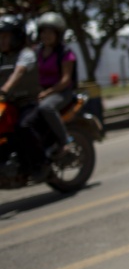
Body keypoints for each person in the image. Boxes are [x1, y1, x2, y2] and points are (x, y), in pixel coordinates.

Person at [0, 16, 46, 180]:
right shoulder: (2, 57)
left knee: (23, 126)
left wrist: (6, 88)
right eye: (0, 37)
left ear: (17, 36)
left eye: (6, 36)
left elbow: (18, 72)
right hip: (9, 105)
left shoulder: (26, 54)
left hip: (28, 103)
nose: (2, 41)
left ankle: (39, 164)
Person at [34, 12, 76, 150]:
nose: (46, 36)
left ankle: (65, 140)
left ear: (58, 34)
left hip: (61, 92)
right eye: (43, 32)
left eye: (50, 32)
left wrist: (47, 92)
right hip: (41, 91)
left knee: (46, 107)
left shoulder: (65, 52)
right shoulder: (37, 52)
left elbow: (65, 80)